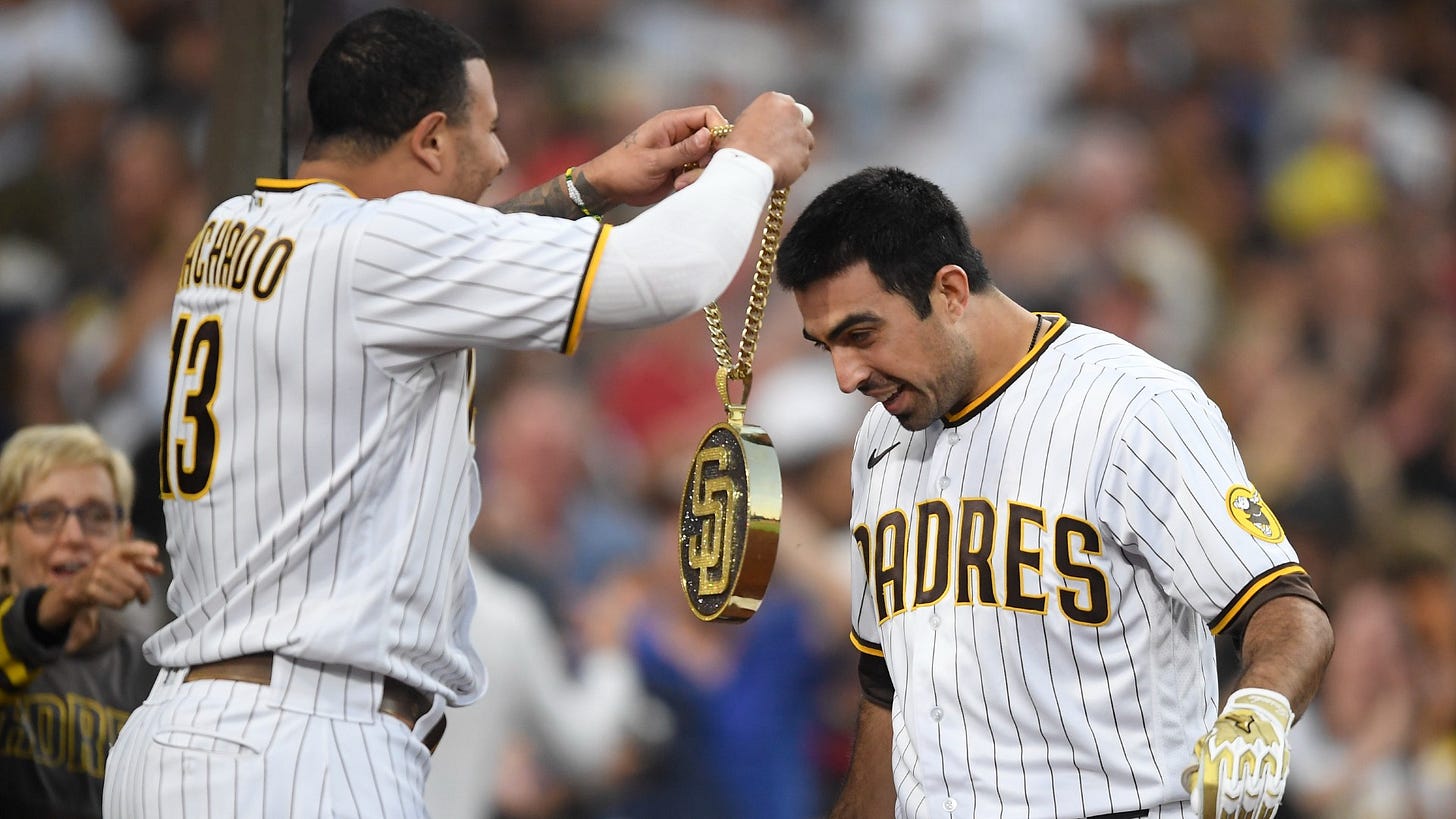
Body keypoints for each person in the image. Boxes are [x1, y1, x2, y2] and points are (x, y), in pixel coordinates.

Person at [101, 6, 813, 818]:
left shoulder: (234, 225)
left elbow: (418, 267)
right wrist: (753, 155)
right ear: (433, 140)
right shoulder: (378, 252)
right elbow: (673, 271)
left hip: (186, 733)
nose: (505, 154)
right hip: (303, 742)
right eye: (490, 128)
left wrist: (587, 188)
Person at [773, 167, 1334, 819]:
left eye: (861, 334)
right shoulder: (879, 439)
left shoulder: (1136, 408)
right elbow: (884, 690)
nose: (846, 375)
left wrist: (1260, 705)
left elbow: (1287, 608)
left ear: (950, 291)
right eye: (828, 346)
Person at [0, 423, 163, 819]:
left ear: (124, 539)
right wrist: (68, 597)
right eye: (45, 514)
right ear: (2, 543)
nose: (74, 535)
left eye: (96, 516)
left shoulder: (155, 678)